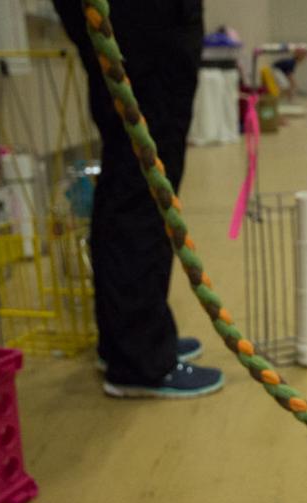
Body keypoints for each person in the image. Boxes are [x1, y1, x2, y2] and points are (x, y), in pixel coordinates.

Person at [52, 0, 224, 398]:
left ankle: (126, 339)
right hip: (145, 18)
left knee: (127, 164)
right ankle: (140, 360)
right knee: (145, 170)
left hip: (128, 18)